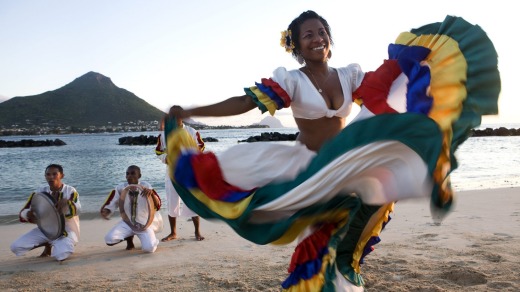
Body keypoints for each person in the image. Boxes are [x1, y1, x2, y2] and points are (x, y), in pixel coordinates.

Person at [166, 10, 500, 290]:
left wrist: (418, 66)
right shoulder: (291, 81)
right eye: (308, 34)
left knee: (355, 221)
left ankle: (339, 281)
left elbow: (381, 90)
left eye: (322, 32)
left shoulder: (348, 75)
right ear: (296, 44)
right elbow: (244, 103)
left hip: (347, 163)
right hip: (307, 168)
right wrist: (193, 111)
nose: (317, 38)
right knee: (320, 233)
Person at [10, 164, 81, 262]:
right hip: (46, 231)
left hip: (66, 232)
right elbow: (23, 212)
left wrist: (67, 203)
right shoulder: (39, 192)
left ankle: (56, 245)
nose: (51, 177)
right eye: (48, 174)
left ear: (62, 175)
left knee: (61, 255)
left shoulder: (70, 191)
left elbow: (78, 210)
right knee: (16, 247)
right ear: (45, 176)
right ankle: (48, 244)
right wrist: (28, 214)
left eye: (54, 174)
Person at [155, 108, 205, 242]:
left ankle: (197, 232)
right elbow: (159, 152)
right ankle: (173, 233)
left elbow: (201, 147)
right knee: (172, 201)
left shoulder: (192, 132)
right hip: (172, 173)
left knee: (192, 201)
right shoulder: (164, 134)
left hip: (189, 173)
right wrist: (166, 158)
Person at [100, 165, 162, 253]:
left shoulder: (146, 186)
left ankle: (150, 239)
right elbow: (113, 201)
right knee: (109, 240)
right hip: (128, 223)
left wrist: (151, 194)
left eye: (133, 173)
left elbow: (158, 205)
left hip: (144, 225)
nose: (129, 176)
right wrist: (107, 210)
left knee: (149, 248)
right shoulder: (121, 187)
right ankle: (129, 239)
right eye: (127, 174)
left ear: (139, 176)